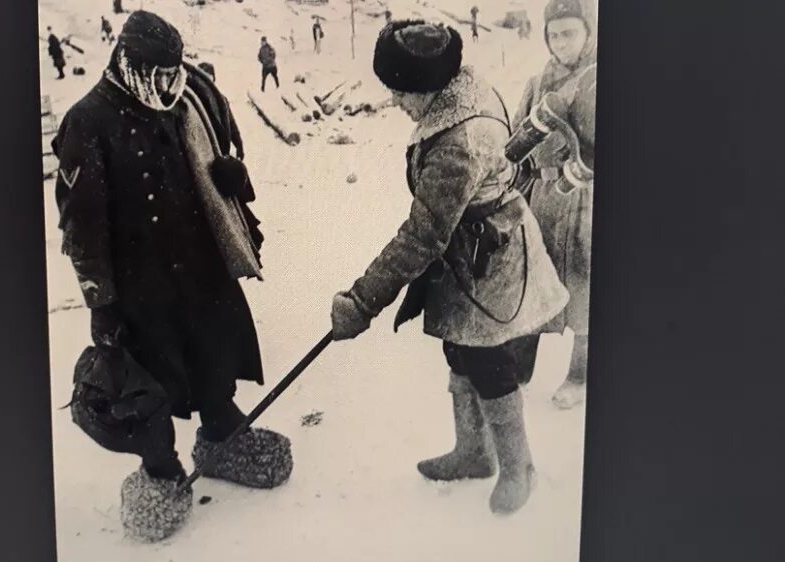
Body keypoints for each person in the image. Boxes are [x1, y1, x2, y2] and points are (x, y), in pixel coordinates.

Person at [51, 11, 290, 542]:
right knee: (152, 380)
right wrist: (101, 303)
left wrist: (232, 177)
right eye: (156, 75)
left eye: (171, 73)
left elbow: (218, 148)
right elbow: (81, 228)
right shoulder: (87, 122)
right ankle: (161, 469)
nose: (167, 85)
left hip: (199, 267)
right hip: (140, 288)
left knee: (214, 349)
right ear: (130, 64)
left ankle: (222, 428)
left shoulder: (185, 97)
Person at [330, 20, 568, 515]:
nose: (395, 102)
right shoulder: (459, 90)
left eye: (399, 91)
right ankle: (473, 452)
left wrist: (361, 299)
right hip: (467, 252)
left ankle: (517, 465)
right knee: (459, 352)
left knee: (488, 362)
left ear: (428, 86)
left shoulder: (460, 139)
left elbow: (423, 234)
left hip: (492, 262)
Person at [513, 0, 597, 409]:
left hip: (587, 202)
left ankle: (580, 376)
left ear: (589, 32)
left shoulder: (602, 80)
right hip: (544, 200)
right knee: (533, 282)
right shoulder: (536, 83)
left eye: (570, 32)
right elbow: (515, 144)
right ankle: (517, 372)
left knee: (586, 287)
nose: (561, 42)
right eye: (554, 34)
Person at [197, 61, 246, 159]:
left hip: (220, 152)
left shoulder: (221, 99)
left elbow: (231, 124)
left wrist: (239, 144)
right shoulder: (194, 101)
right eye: (203, 80)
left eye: (209, 81)